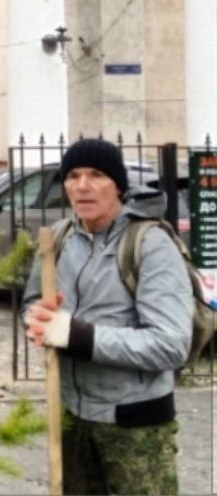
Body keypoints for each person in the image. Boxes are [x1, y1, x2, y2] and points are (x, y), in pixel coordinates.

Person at [22, 138, 192, 495]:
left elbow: (171, 344)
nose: (82, 186)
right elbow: (34, 301)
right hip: (71, 417)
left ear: (118, 185)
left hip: (135, 426)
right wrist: (35, 320)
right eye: (73, 176)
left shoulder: (149, 244)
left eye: (97, 175)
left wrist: (76, 335)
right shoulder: (58, 238)